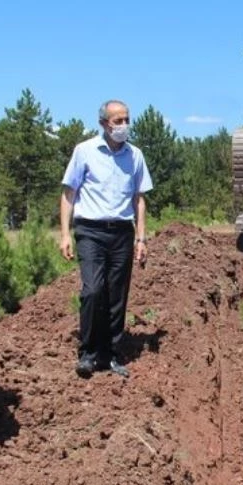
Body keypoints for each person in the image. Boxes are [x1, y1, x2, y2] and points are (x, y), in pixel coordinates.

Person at [60, 99, 152, 379]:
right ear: (103, 124)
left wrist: (141, 238)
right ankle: (88, 353)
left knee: (116, 294)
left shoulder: (134, 156)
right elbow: (68, 193)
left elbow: (139, 199)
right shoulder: (85, 151)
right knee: (92, 290)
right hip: (90, 230)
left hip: (122, 232)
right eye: (117, 121)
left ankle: (111, 353)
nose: (123, 126)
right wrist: (65, 234)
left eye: (126, 120)